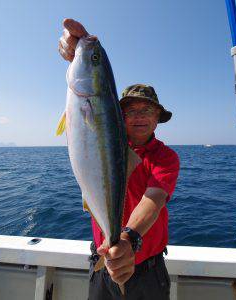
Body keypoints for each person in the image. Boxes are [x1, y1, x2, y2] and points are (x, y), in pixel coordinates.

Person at [59, 19, 180, 300]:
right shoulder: (105, 142)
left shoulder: (166, 157)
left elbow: (154, 199)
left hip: (147, 271)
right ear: (118, 116)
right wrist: (75, 52)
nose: (139, 116)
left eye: (147, 110)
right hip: (103, 263)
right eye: (131, 110)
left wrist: (127, 239)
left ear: (157, 119)